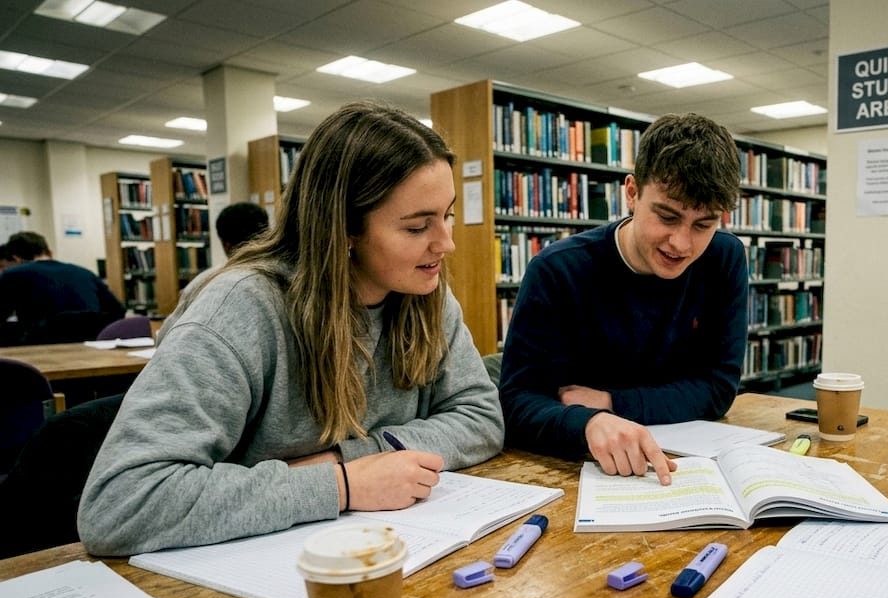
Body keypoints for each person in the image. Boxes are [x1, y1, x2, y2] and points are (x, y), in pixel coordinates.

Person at [78, 100, 504, 556]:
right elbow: (120, 504)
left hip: (385, 549)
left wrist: (354, 459)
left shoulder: (427, 295)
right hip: (243, 572)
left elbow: (480, 417)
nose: (447, 243)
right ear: (343, 228)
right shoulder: (240, 309)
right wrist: (339, 485)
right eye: (418, 226)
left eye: (448, 214)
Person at [499, 112, 747, 486]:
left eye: (703, 225)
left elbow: (718, 388)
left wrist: (611, 402)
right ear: (631, 192)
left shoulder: (724, 259)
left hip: (687, 465)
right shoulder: (558, 269)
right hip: (576, 469)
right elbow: (517, 400)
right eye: (666, 216)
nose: (681, 243)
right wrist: (588, 423)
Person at [0, 230, 126, 345]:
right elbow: (118, 310)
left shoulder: (12, 274)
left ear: (15, 258)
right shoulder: (84, 272)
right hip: (90, 346)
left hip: (40, 348)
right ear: (49, 252)